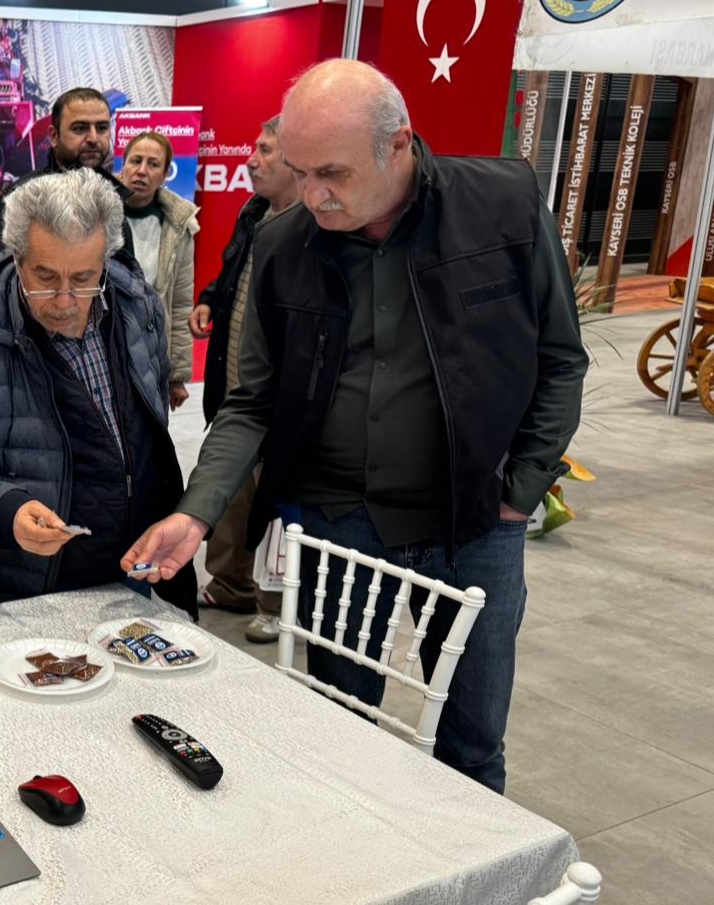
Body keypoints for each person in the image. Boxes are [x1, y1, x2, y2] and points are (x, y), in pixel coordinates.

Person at [123, 60, 587, 792]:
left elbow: (561, 358)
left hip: (474, 520)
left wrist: (522, 489)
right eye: (300, 172)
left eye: (331, 173)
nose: (312, 195)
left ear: (398, 144)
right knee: (336, 725)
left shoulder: (503, 206)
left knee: (471, 739)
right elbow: (252, 403)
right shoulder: (284, 246)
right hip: (342, 521)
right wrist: (197, 511)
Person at [0, 168, 197, 613]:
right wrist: (7, 511)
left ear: (106, 259)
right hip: (28, 590)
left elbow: (149, 429)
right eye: (45, 278)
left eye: (84, 277)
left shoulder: (139, 311)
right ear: (16, 258)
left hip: (132, 574)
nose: (65, 300)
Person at [187, 115, 302, 643]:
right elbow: (231, 272)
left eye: (265, 150)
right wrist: (211, 298)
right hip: (234, 390)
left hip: (281, 402)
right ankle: (231, 584)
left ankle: (276, 602)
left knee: (275, 504)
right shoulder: (254, 213)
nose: (251, 160)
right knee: (231, 491)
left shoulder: (312, 230)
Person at [0, 88, 138, 276]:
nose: (93, 138)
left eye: (102, 128)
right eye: (80, 128)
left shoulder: (114, 202)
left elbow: (128, 284)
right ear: (53, 136)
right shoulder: (19, 201)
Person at [117, 130, 200, 412]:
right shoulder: (97, 212)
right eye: (135, 161)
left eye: (153, 165)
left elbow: (180, 304)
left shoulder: (179, 228)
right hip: (106, 349)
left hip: (152, 354)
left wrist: (176, 375)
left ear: (165, 174)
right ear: (122, 165)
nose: (141, 171)